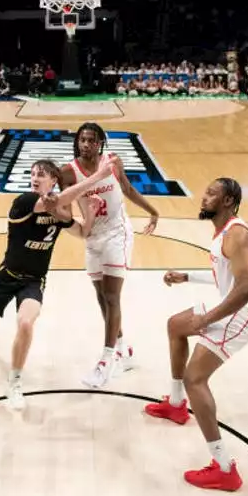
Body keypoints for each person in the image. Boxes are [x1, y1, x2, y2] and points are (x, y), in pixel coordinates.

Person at [145, 177, 248, 492]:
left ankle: (224, 468)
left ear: (228, 201)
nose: (203, 196)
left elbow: (247, 289)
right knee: (175, 325)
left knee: (195, 379)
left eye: (212, 193)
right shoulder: (223, 233)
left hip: (243, 313)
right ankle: (175, 404)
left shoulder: (237, 234)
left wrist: (207, 319)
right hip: (230, 303)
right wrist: (187, 276)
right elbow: (222, 273)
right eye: (205, 190)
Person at [0, 156, 115, 409]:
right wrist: (97, 178)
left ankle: (14, 382)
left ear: (54, 180)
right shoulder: (24, 202)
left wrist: (89, 214)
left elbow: (81, 233)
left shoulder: (58, 211)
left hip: (33, 280)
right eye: (33, 174)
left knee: (25, 322)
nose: (35, 178)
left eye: (41, 174)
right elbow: (58, 201)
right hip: (6, 277)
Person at [58, 122, 160, 389]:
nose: (86, 144)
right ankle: (123, 349)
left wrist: (153, 211)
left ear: (100, 143)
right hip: (93, 237)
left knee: (112, 296)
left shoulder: (113, 162)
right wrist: (76, 224)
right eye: (82, 140)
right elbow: (64, 208)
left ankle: (105, 361)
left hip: (118, 234)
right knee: (102, 297)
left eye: (91, 140)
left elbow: (127, 189)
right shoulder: (69, 172)